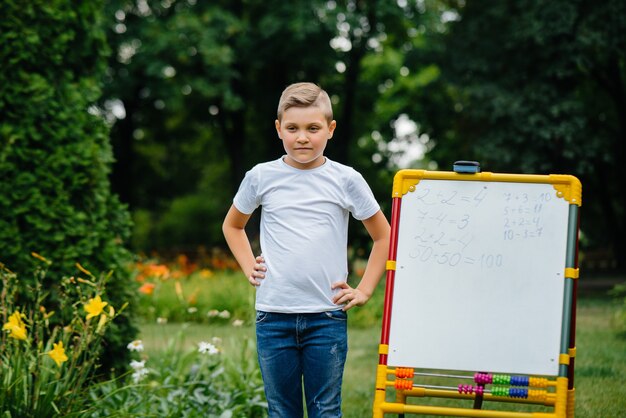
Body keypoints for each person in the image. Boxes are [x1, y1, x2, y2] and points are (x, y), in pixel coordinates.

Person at [222, 82, 390, 418]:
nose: (302, 137)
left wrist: (365, 290)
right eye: (293, 128)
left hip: (326, 317)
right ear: (278, 129)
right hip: (273, 316)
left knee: (325, 410)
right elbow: (233, 225)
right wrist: (247, 266)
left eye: (313, 128)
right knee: (282, 411)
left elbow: (384, 236)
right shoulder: (260, 177)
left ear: (330, 129)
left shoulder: (346, 179)